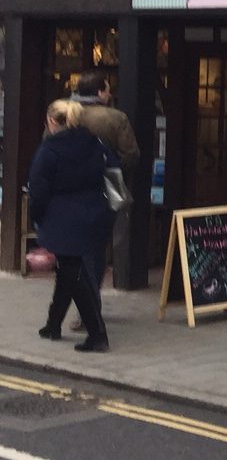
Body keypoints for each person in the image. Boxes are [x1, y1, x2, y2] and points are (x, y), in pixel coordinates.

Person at [29, 99, 114, 352]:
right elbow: (115, 168)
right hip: (94, 214)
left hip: (62, 219)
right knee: (69, 268)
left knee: (74, 273)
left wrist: (37, 217)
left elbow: (38, 191)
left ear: (53, 122)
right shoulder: (95, 143)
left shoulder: (49, 150)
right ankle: (53, 324)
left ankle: (98, 335)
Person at [72, 71, 140, 319]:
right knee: (97, 248)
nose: (110, 93)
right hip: (106, 187)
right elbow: (131, 155)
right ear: (100, 92)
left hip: (71, 190)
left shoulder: (64, 114)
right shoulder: (115, 118)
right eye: (107, 89)